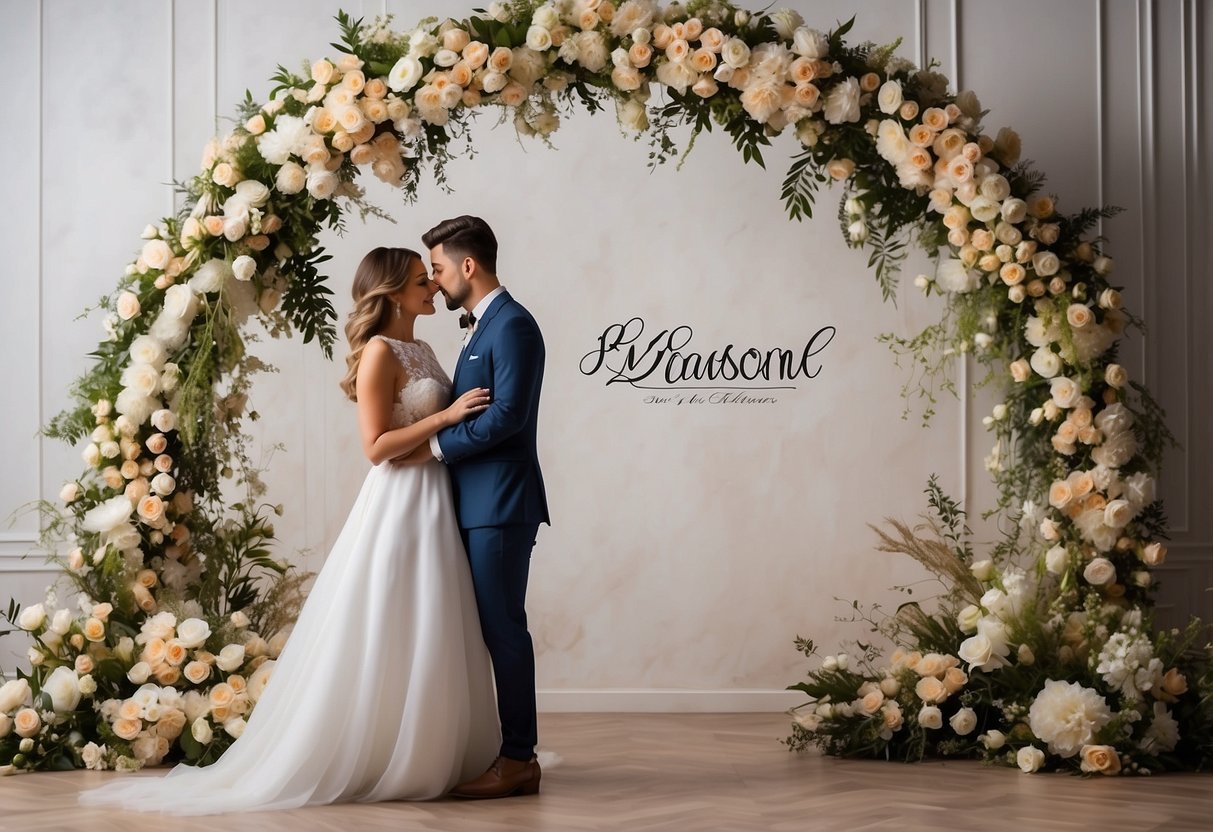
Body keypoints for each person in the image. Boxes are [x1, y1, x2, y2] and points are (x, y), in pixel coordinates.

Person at [78, 246, 500, 814]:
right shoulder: (378, 352)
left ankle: (431, 746)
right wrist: (447, 417)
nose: (433, 288)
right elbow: (377, 448)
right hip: (401, 499)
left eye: (431, 278)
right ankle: (376, 752)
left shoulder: (422, 347)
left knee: (434, 616)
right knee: (392, 614)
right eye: (422, 281)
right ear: (394, 292)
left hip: (436, 495)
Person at [402, 215, 550, 799]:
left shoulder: (512, 325)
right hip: (471, 502)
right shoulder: (476, 327)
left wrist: (435, 446)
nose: (434, 282)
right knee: (482, 629)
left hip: (500, 503)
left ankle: (519, 759)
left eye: (437, 269)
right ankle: (498, 747)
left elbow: (508, 415)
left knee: (504, 630)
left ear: (469, 266)